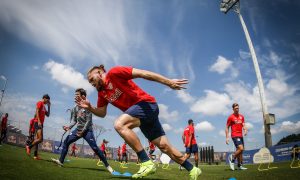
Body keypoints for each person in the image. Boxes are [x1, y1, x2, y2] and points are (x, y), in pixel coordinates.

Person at [76, 65, 201, 179]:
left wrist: (168, 82)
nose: (91, 83)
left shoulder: (114, 73)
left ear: (100, 72)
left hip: (146, 104)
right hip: (142, 117)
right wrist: (90, 108)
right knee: (164, 147)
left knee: (119, 124)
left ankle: (146, 162)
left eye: (91, 79)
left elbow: (143, 73)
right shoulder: (101, 93)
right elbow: (102, 113)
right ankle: (193, 169)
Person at [51, 88, 116, 175]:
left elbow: (88, 121)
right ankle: (61, 161)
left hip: (87, 131)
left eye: (77, 95)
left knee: (95, 149)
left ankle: (108, 167)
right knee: (66, 141)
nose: (75, 96)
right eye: (75, 95)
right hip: (78, 130)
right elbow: (74, 120)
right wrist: (68, 127)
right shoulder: (74, 108)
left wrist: (82, 131)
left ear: (83, 96)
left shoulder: (87, 106)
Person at [26, 94, 51, 160]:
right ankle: (29, 147)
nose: (47, 102)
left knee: (37, 140)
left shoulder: (44, 107)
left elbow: (48, 115)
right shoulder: (40, 103)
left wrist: (49, 107)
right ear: (44, 98)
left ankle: (35, 156)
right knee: (40, 139)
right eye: (47, 100)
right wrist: (39, 121)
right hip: (37, 122)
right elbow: (37, 111)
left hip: (40, 124)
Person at [225, 103, 248, 171]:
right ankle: (232, 158)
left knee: (240, 151)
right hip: (234, 135)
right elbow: (227, 127)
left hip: (240, 135)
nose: (237, 109)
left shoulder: (241, 116)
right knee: (241, 148)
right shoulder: (230, 117)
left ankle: (239, 165)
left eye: (238, 108)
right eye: (235, 108)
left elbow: (243, 124)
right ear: (233, 109)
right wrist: (227, 137)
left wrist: (245, 129)